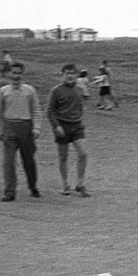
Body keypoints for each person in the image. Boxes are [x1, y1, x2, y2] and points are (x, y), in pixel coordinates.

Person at [0, 61, 42, 201]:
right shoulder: (3, 91)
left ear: (22, 74)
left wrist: (36, 128)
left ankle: (32, 186)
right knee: (9, 161)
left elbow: (36, 110)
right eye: (13, 73)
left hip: (26, 127)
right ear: (9, 74)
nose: (16, 76)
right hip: (9, 127)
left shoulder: (29, 91)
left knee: (28, 160)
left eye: (19, 73)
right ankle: (10, 191)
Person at [47, 63, 90, 197]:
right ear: (63, 75)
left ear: (76, 75)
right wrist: (56, 125)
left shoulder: (79, 89)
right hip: (62, 126)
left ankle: (80, 183)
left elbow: (82, 105)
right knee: (63, 156)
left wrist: (79, 116)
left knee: (83, 153)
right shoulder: (56, 91)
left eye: (72, 73)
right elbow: (50, 111)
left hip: (77, 126)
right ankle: (65, 184)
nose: (70, 76)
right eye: (67, 73)